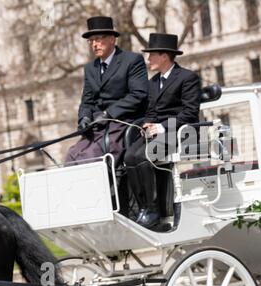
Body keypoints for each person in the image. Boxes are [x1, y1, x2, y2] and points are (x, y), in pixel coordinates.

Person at [124, 33, 201, 229]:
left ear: (164, 56)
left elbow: (190, 113)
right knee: (130, 155)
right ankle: (143, 208)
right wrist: (147, 124)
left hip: (181, 132)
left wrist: (162, 126)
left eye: (152, 55)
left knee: (143, 155)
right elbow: (150, 111)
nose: (148, 59)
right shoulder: (153, 82)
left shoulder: (187, 77)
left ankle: (154, 209)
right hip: (158, 133)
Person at [65, 16, 149, 164]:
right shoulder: (90, 68)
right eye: (91, 41)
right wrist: (84, 118)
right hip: (96, 126)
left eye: (98, 39)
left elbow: (138, 94)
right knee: (71, 156)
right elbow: (86, 101)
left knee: (90, 156)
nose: (94, 44)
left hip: (122, 122)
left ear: (112, 39)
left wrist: (109, 113)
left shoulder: (132, 60)